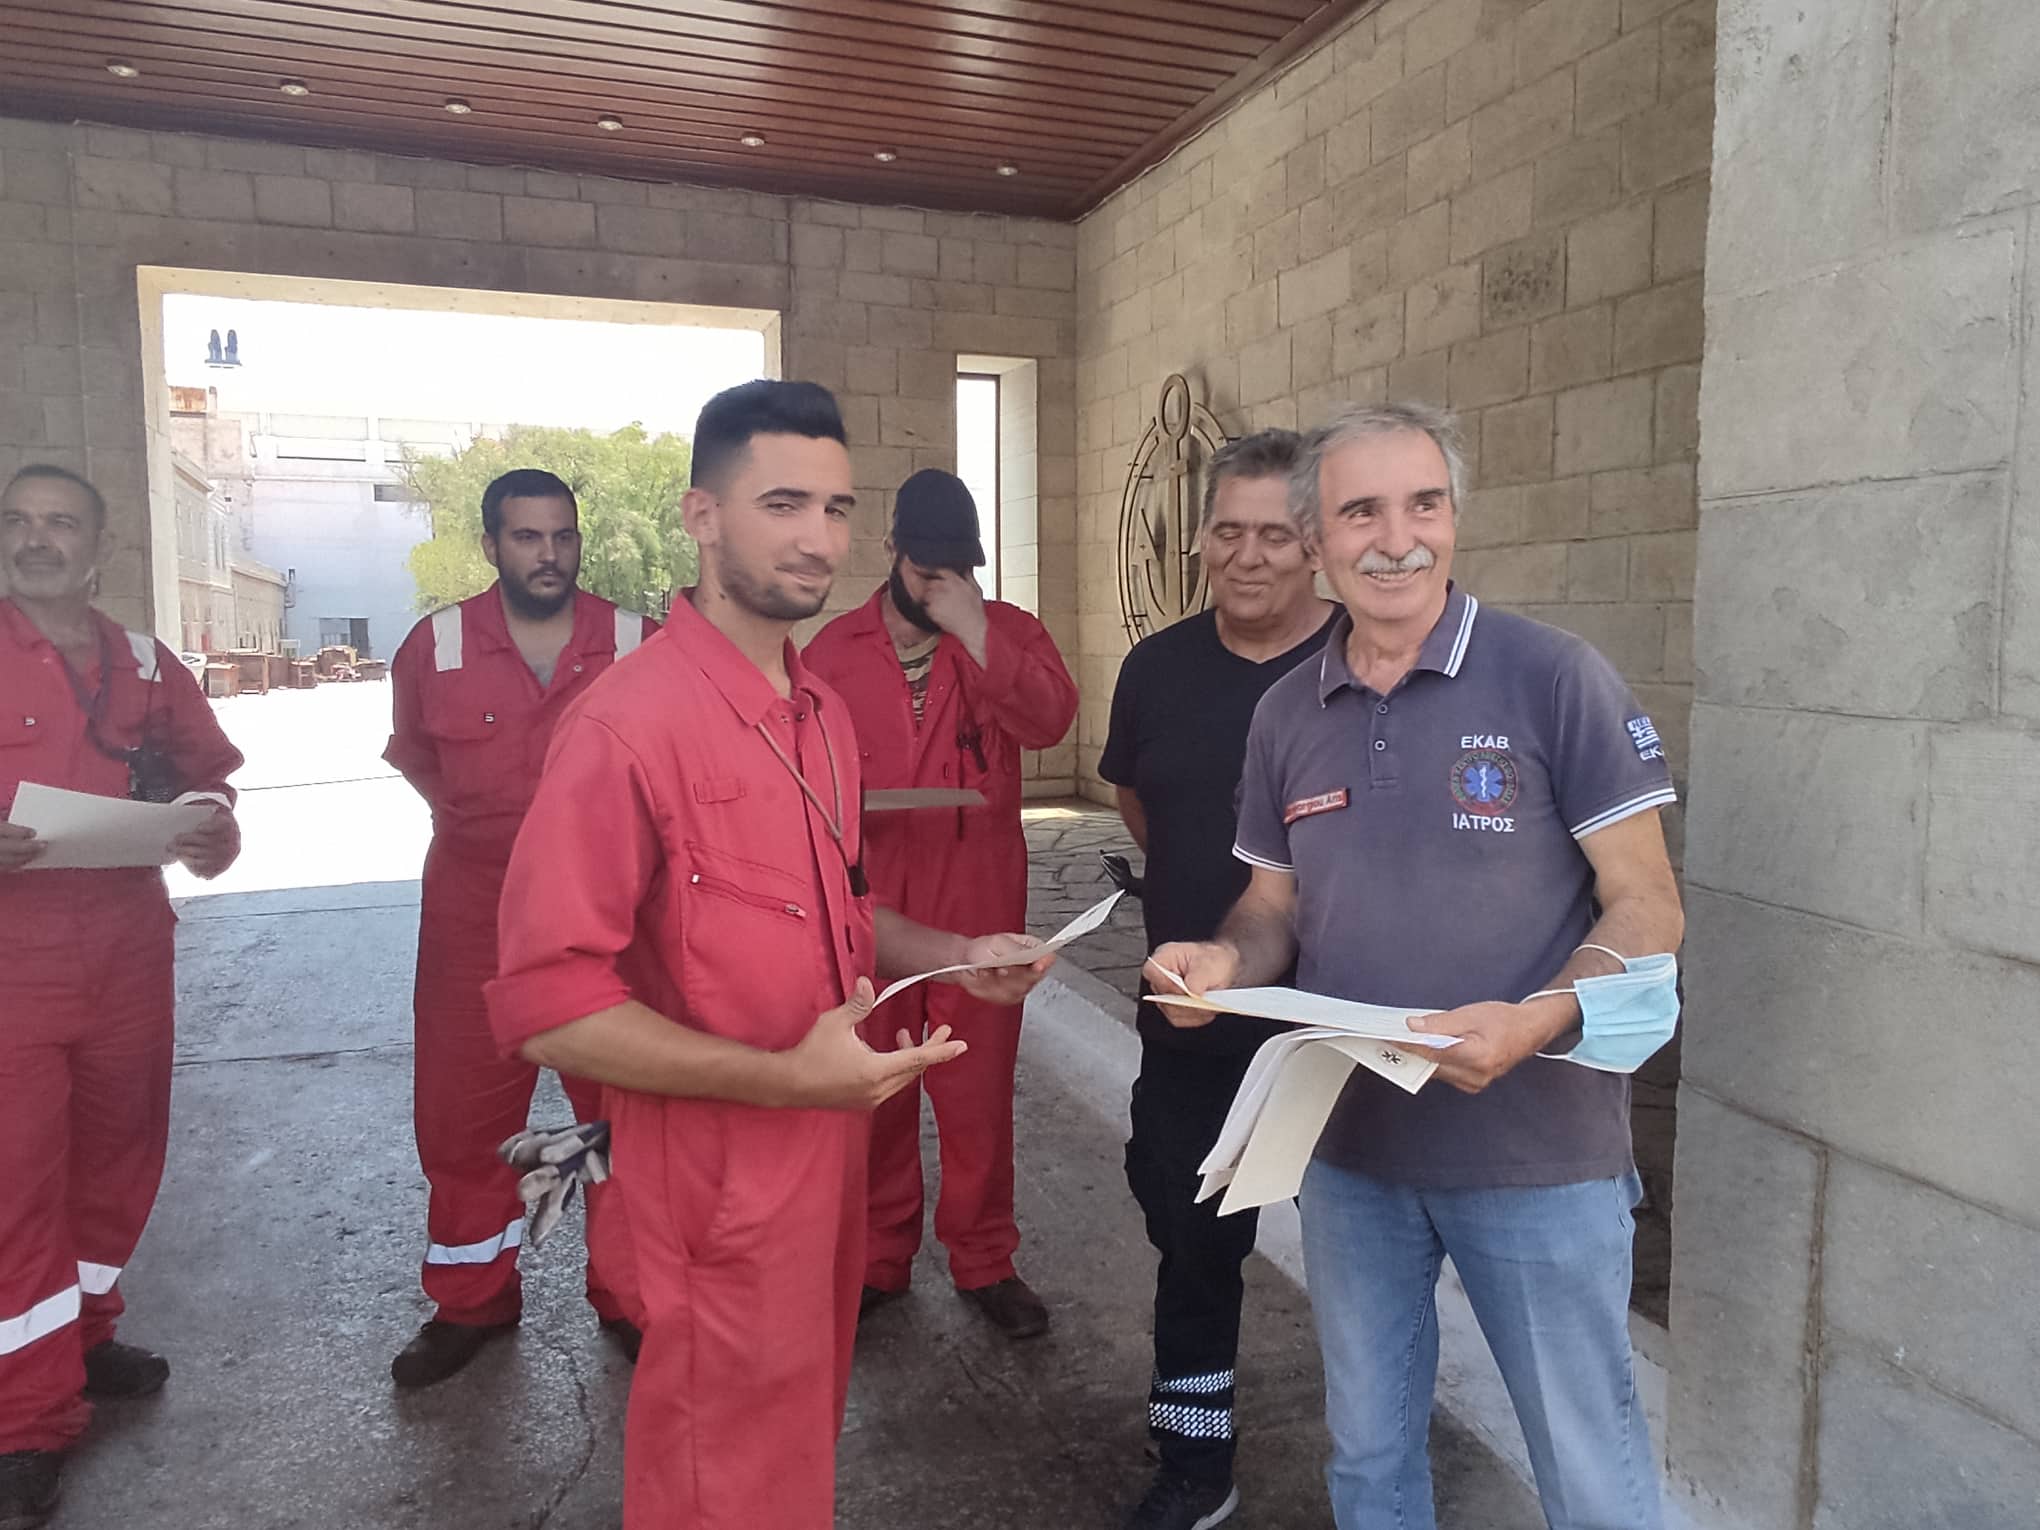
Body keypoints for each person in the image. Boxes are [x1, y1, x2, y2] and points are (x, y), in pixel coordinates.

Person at [483, 381, 1056, 1530]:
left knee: (790, 1460)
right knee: (721, 1482)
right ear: (702, 516)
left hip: (818, 1165)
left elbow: (844, 909)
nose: (817, 539)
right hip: (713, 1185)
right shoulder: (627, 725)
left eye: (836, 508)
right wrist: (784, 1079)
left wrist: (956, 952)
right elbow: (549, 1006)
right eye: (782, 503)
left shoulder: (816, 714)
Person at [1149, 404, 1685, 1530]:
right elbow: (1273, 907)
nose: (1398, 540)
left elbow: (1648, 904)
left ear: (1453, 518)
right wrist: (1223, 961)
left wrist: (1540, 1017)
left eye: (1423, 505)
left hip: (1538, 1155)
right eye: (1362, 512)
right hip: (1355, 1156)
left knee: (1590, 1473)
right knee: (1370, 1458)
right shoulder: (1286, 712)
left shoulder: (1553, 677)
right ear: (1316, 540)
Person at [1098, 430, 1336, 1530]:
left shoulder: (1357, 665)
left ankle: (1383, 1463)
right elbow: (1139, 802)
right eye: (1227, 532)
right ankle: (1196, 1463)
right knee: (1191, 1242)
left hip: (1338, 1027)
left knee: (1372, 1248)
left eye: (1275, 535)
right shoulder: (1155, 669)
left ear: (1315, 544)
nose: (1248, 556)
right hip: (1194, 1018)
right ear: (1199, 539)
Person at [0, 466, 244, 1529]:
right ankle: (25, 1420)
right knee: (15, 1190)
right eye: (17, 521)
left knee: (118, 1162)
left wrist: (209, 826)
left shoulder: (145, 665)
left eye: (60, 522)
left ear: (100, 547)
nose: (36, 538)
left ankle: (85, 1333)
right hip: (12, 963)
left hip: (128, 950)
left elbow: (210, 776)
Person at [381, 468, 656, 1389]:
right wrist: (491, 833)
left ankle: (627, 1295)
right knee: (462, 1119)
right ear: (491, 544)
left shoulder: (638, 643)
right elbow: (419, 758)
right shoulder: (436, 647)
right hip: (474, 918)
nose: (549, 555)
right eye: (527, 537)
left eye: (562, 536)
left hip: (607, 920)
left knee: (618, 1114)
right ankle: (472, 1301)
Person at [803, 468, 1078, 1339]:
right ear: (891, 552)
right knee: (876, 1084)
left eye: (959, 572)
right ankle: (879, 1257)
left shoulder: (1009, 633)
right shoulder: (832, 653)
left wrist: (976, 631)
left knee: (975, 1093)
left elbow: (1050, 721)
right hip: (874, 901)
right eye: (926, 573)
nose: (941, 588)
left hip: (977, 896)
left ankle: (985, 1258)